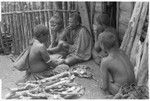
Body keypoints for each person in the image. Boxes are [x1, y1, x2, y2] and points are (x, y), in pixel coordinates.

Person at [98, 31, 136, 96]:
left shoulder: (105, 61)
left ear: (102, 46)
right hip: (134, 87)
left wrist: (103, 84)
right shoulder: (122, 52)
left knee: (103, 83)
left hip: (122, 91)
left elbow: (105, 87)